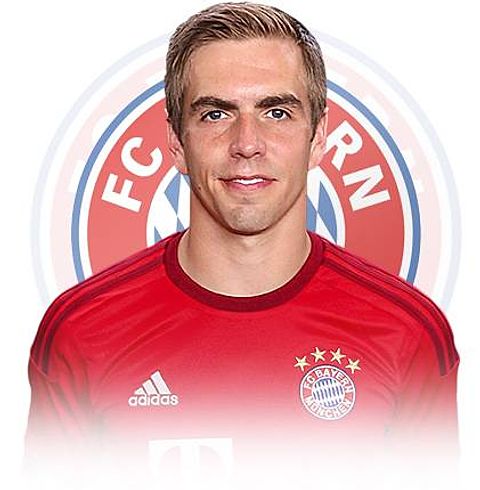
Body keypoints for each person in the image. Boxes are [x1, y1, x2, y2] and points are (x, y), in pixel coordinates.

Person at [25, 3, 459, 489]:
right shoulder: (82, 332)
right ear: (176, 142)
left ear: (318, 137)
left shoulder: (407, 333)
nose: (247, 143)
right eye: (215, 114)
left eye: (276, 113)